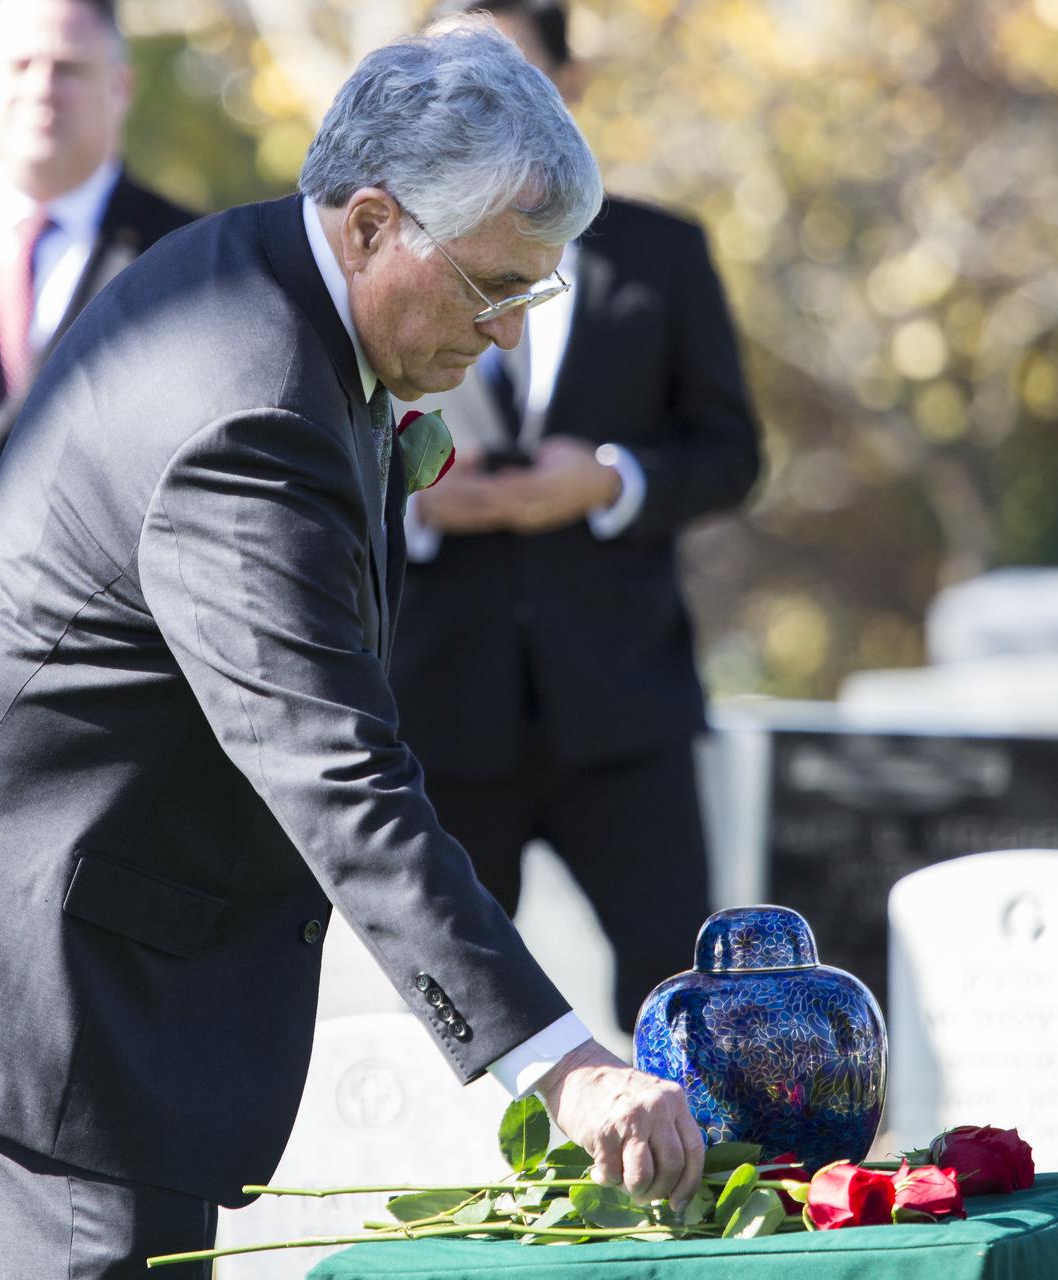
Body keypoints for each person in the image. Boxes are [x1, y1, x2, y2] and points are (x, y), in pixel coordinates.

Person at [0, 19, 703, 1278]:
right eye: (491, 286)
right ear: (368, 225)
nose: (509, 333)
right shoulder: (247, 406)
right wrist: (562, 1064)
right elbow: (340, 777)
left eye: (535, 290)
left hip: (95, 952)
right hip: (65, 996)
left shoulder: (258, 274)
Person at [390, 0, 762, 1034]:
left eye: (509, 72)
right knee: (437, 1009)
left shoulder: (663, 254)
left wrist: (607, 480)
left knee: (685, 1003)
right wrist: (417, 503)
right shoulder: (382, 261)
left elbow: (730, 454)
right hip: (438, 708)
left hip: (623, 706)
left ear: (571, 81)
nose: (480, 104)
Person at [0, 0, 194, 578]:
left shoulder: (195, 263)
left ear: (121, 86)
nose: (43, 88)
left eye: (68, 68)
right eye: (21, 65)